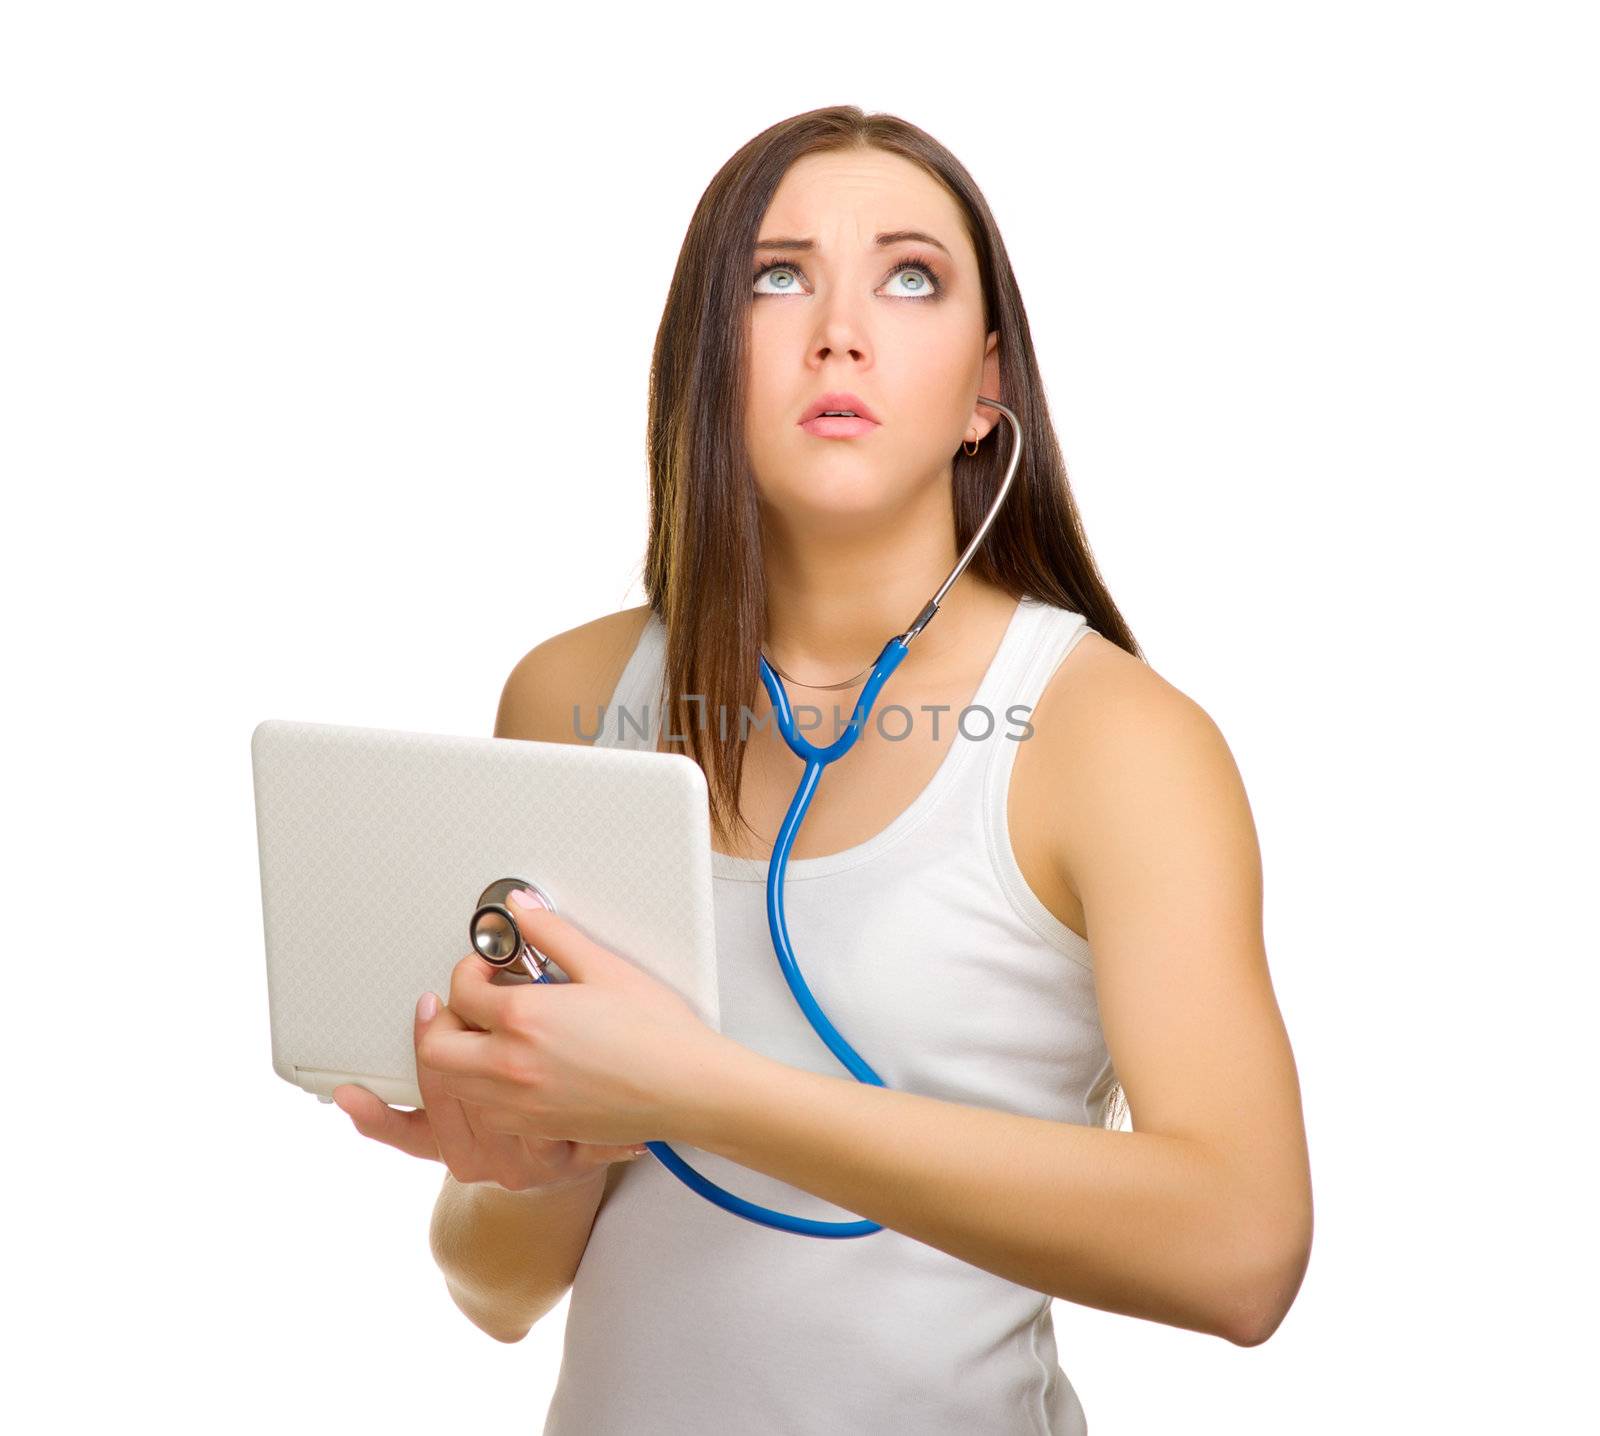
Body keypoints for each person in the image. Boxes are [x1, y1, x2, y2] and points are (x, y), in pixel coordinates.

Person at [332, 105, 1313, 1434]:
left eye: (912, 278)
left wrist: (692, 1087)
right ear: (701, 361)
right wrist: (535, 1151)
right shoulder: (569, 697)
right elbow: (495, 1291)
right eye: (776, 275)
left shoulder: (1116, 739)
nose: (838, 330)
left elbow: (1244, 1252)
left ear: (986, 390)